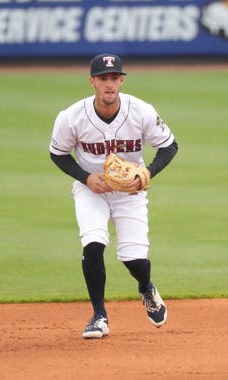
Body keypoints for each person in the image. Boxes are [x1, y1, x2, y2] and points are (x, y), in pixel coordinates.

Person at [50, 54, 178, 339]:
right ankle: (99, 316)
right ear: (92, 82)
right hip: (90, 189)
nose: (109, 84)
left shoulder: (141, 111)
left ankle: (146, 288)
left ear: (121, 80)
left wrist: (147, 174)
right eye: (103, 79)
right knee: (93, 244)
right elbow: (58, 153)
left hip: (130, 193)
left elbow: (169, 146)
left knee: (135, 261)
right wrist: (85, 178)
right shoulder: (71, 117)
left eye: (114, 78)